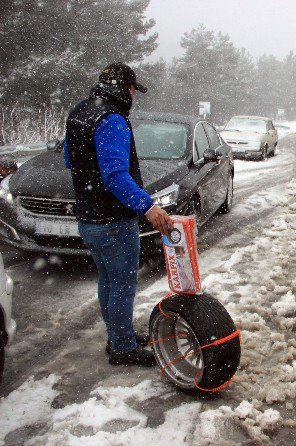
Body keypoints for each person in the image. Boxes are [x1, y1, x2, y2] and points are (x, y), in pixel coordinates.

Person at [63, 62, 171, 367]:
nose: (134, 97)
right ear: (129, 90)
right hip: (113, 221)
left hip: (89, 219)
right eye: (135, 91)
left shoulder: (79, 112)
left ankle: (118, 334)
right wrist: (148, 206)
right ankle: (122, 347)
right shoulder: (112, 120)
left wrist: (90, 186)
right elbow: (114, 176)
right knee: (122, 284)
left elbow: (69, 158)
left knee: (108, 281)